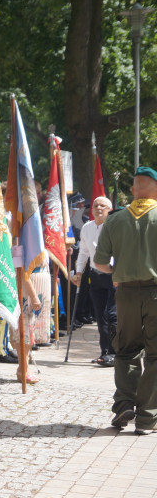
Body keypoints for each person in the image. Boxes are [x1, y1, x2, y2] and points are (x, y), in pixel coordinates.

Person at [94, 166, 157, 434]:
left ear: (132, 190)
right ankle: (147, 418)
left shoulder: (114, 220)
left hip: (126, 293)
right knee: (155, 355)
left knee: (126, 350)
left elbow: (99, 263)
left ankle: (123, 405)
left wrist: (118, 273)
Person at [73, 196, 116, 366]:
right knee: (100, 315)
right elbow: (83, 251)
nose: (99, 208)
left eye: (103, 205)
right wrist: (78, 272)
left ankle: (114, 352)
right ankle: (105, 351)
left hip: (113, 274)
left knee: (112, 315)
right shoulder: (87, 227)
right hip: (95, 275)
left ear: (109, 209)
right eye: (96, 205)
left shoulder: (114, 227)